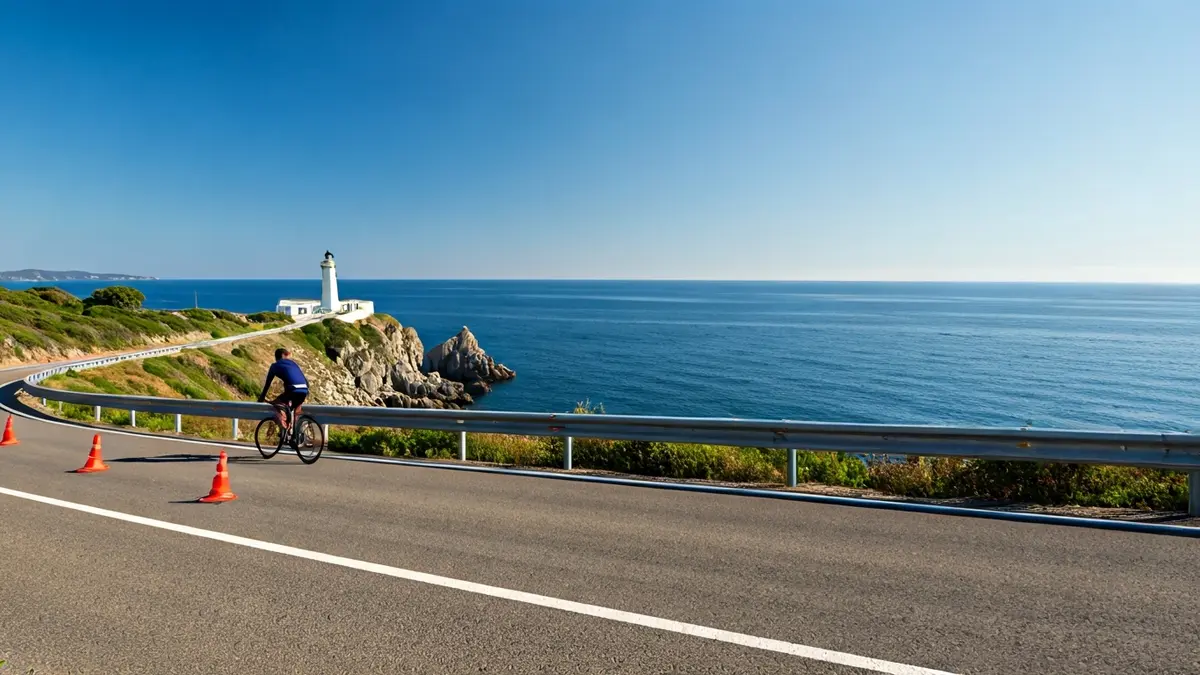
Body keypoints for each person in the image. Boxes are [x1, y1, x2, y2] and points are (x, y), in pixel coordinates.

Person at [257, 348, 309, 431]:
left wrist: (262, 397)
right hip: (304, 390)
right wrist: (306, 393)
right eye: (288, 355)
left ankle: (284, 425)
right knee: (294, 410)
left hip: (293, 390)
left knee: (278, 403)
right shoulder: (293, 363)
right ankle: (295, 434)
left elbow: (268, 384)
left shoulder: (274, 366)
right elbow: (305, 380)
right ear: (284, 355)